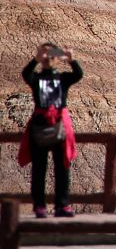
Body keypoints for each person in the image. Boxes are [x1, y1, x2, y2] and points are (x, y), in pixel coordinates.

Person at [18, 42, 83, 218]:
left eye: (52, 55)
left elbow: (78, 75)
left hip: (59, 127)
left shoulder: (62, 78)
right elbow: (26, 74)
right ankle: (40, 206)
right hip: (40, 126)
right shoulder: (37, 79)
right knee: (39, 168)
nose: (48, 58)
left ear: (57, 58)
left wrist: (71, 59)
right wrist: (35, 59)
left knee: (62, 167)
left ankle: (62, 205)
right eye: (45, 55)